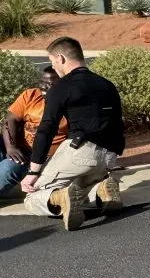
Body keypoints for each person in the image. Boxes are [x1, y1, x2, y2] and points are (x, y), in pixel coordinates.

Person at [20, 37, 125, 231]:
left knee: (33, 197)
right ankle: (100, 191)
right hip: (110, 155)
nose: (53, 66)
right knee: (78, 187)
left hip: (81, 150)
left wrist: (33, 172)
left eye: (52, 61)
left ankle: (59, 197)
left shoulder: (61, 86)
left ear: (60, 58)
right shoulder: (106, 84)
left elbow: (47, 128)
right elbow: (118, 122)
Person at [1, 66, 69, 199]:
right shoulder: (30, 95)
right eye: (42, 82)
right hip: (18, 148)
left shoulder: (69, 105)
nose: (44, 87)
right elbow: (10, 120)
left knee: (7, 169)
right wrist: (11, 147)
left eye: (50, 83)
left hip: (38, 157)